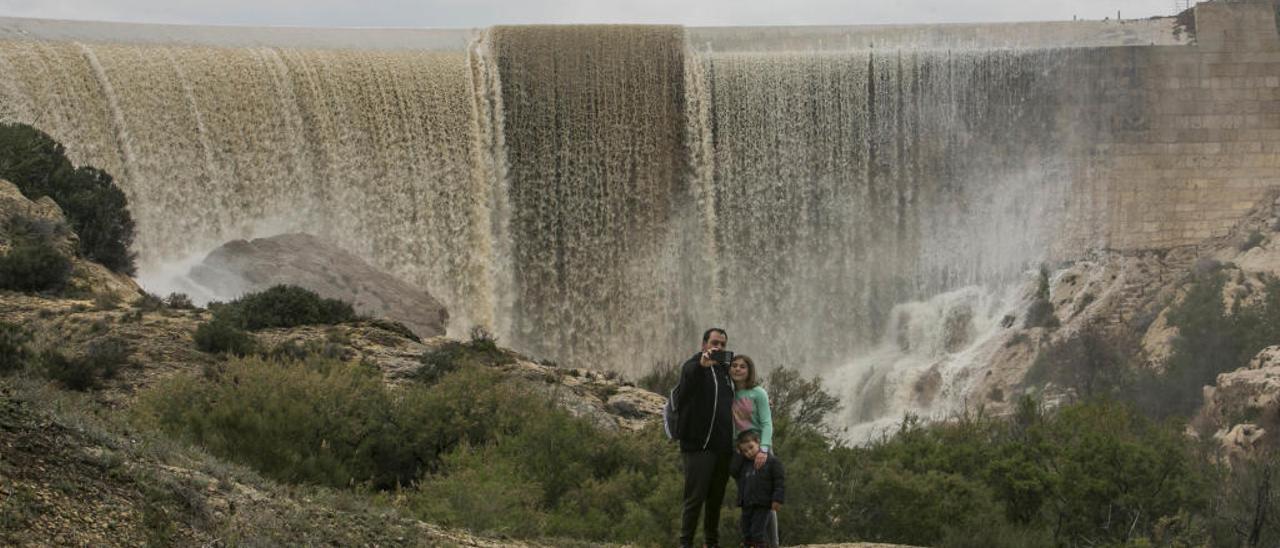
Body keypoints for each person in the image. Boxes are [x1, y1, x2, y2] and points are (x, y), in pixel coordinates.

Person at [674, 327, 735, 548]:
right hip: (699, 446)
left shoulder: (726, 373)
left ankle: (712, 543)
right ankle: (686, 543)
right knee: (694, 499)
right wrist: (702, 366)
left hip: (723, 448)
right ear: (704, 344)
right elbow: (686, 388)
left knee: (715, 500)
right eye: (715, 343)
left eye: (723, 344)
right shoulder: (693, 366)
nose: (718, 347)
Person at [728, 354, 779, 546]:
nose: (738, 369)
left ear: (749, 371)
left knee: (765, 499)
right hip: (741, 452)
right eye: (734, 365)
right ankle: (751, 541)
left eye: (743, 366)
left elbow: (767, 423)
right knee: (748, 499)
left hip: (759, 448)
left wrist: (764, 449)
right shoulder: (729, 394)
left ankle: (773, 543)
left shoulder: (758, 393)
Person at [733, 430, 785, 548]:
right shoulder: (744, 465)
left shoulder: (772, 462)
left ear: (758, 443)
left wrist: (777, 499)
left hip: (762, 504)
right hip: (747, 504)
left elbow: (779, 481)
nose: (749, 452)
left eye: (751, 447)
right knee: (746, 533)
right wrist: (738, 455)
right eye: (745, 451)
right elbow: (733, 471)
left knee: (757, 533)